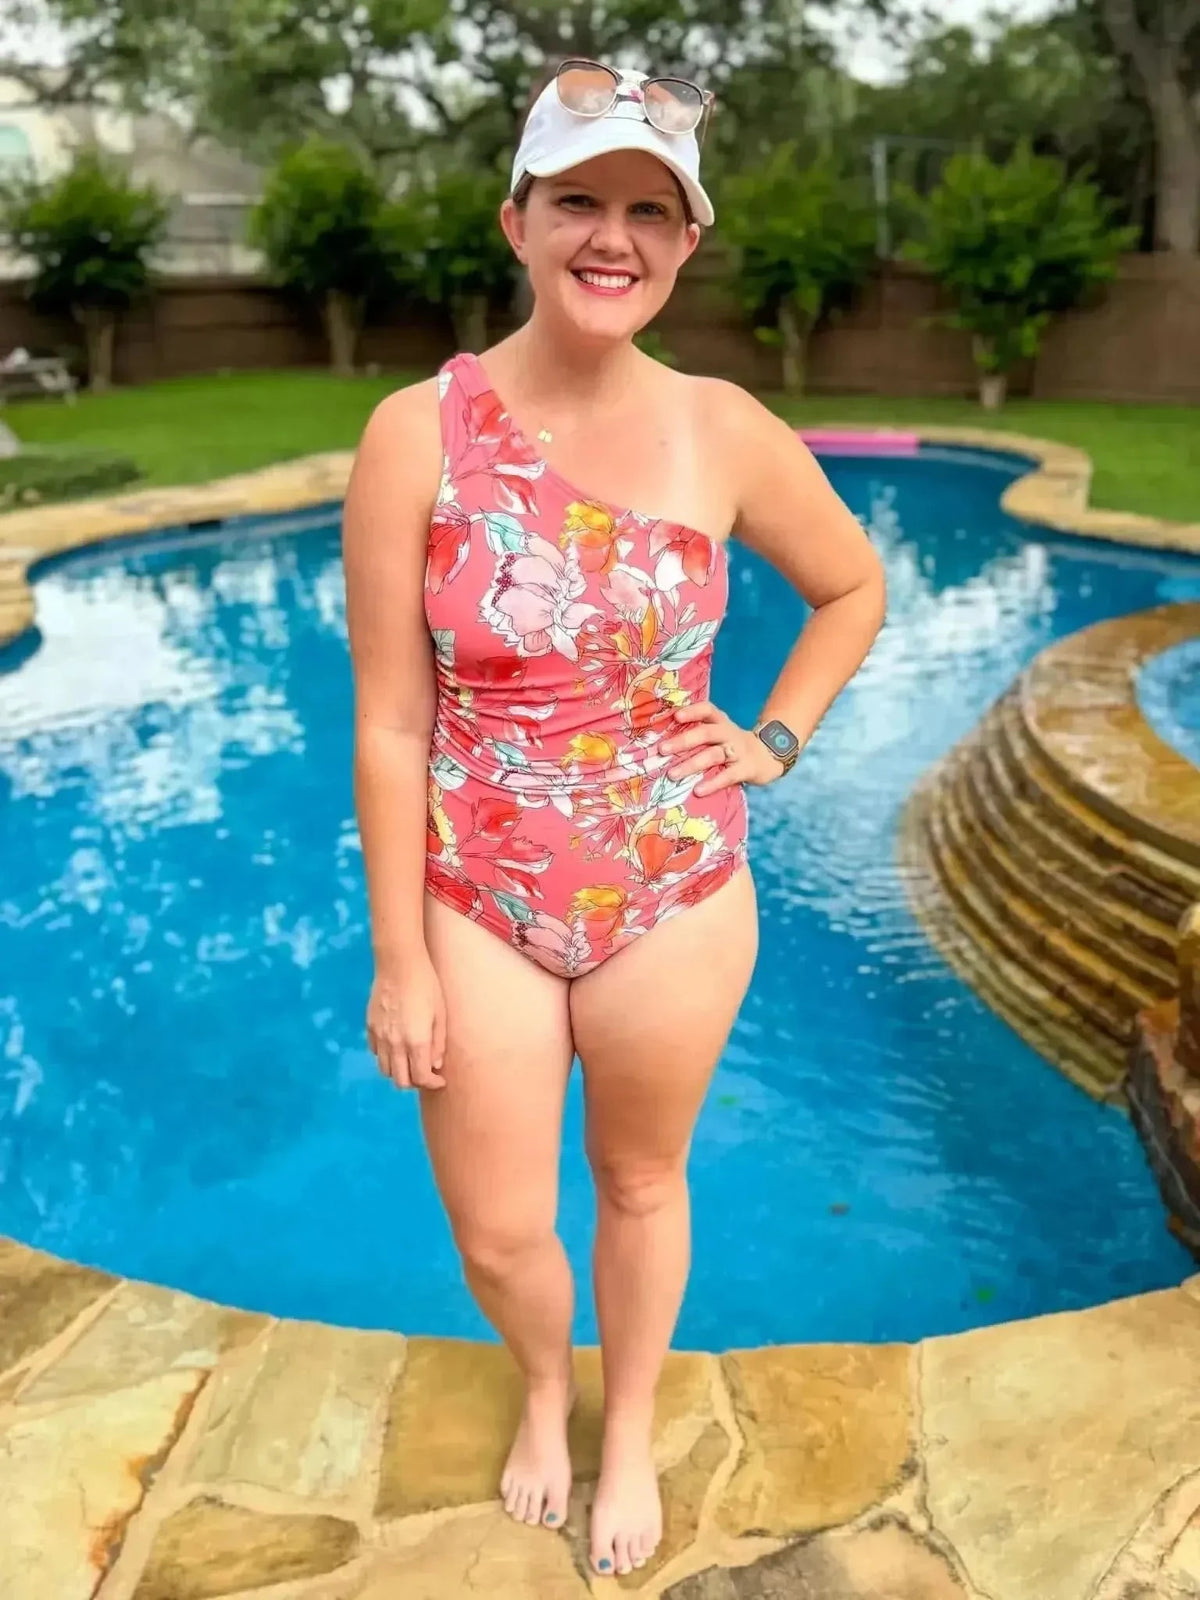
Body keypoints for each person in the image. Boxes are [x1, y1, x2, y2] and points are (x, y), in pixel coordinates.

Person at [342, 57, 885, 1580]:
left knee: (644, 1182)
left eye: (651, 209)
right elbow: (391, 719)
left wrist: (773, 738)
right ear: (518, 218)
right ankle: (541, 1381)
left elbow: (852, 587)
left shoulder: (722, 428)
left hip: (676, 883)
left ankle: (626, 1421)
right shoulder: (416, 434)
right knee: (504, 1234)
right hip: (478, 892)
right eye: (580, 198)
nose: (613, 235)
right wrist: (402, 955)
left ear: (686, 242)